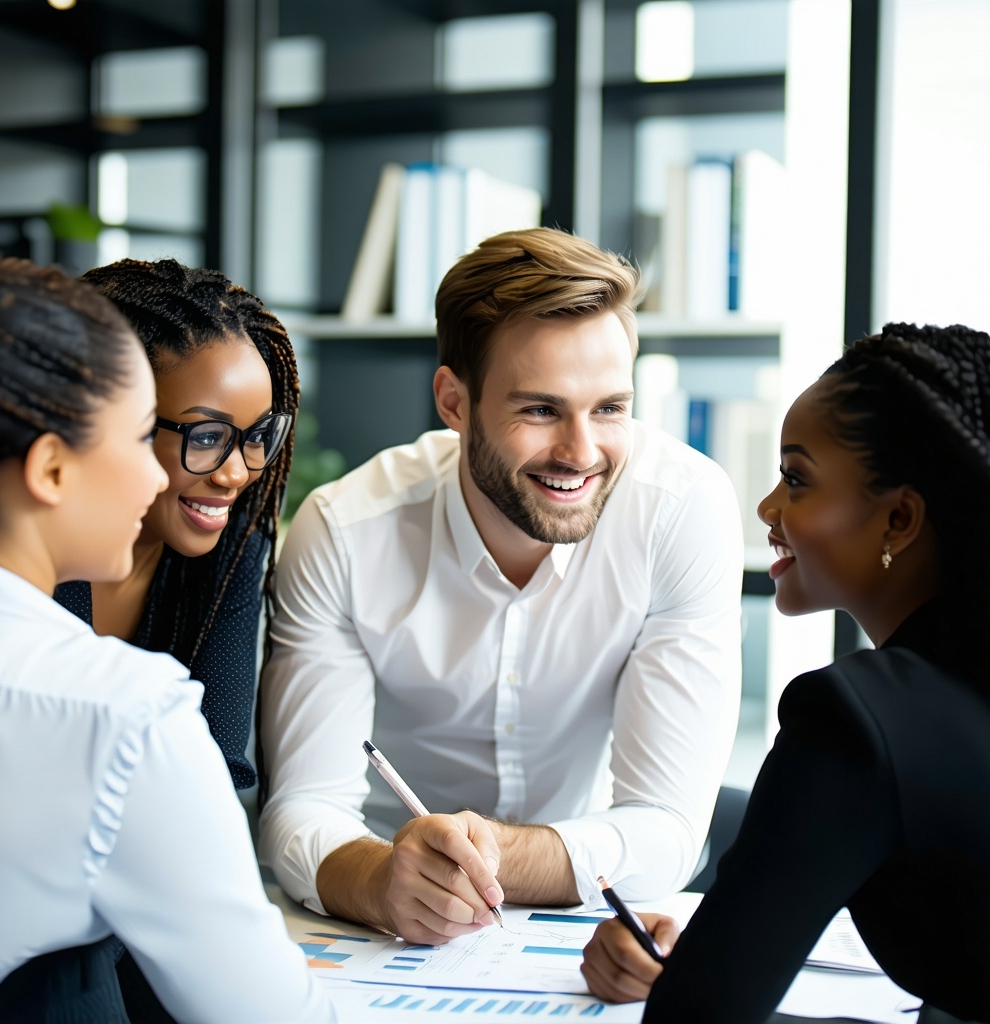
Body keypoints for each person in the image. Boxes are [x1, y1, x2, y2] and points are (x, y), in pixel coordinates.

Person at [259, 227, 744, 945]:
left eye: (610, 408)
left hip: (584, 913)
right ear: (454, 402)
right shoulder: (344, 532)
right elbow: (301, 810)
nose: (582, 453)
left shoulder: (681, 510)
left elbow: (667, 827)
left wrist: (494, 856)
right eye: (541, 410)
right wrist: (381, 879)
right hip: (387, 924)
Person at [580, 322, 990, 1024]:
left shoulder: (855, 723)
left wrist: (696, 981)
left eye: (797, 478)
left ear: (898, 519)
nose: (768, 508)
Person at [0, 259, 332, 1022]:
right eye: (148, 438)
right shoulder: (121, 714)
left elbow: (214, 780)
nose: (236, 474)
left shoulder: (225, 555)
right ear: (50, 462)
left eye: (259, 438)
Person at [54, 258, 297, 792]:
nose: (237, 472)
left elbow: (220, 767)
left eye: (258, 435)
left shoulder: (232, 543)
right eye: (207, 437)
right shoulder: (25, 543)